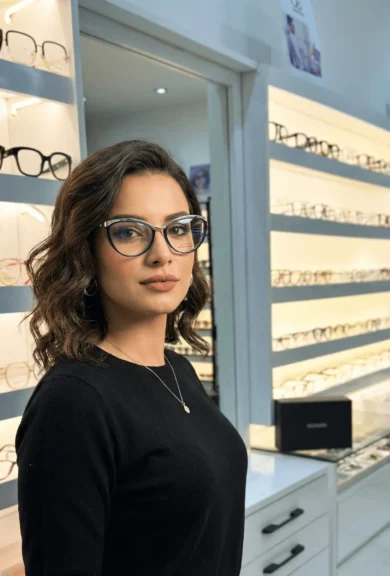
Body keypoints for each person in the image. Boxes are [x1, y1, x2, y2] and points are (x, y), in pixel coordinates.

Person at [15, 140, 249, 575]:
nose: (162, 254)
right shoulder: (73, 403)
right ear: (86, 250)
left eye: (178, 228)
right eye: (128, 231)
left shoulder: (176, 369)